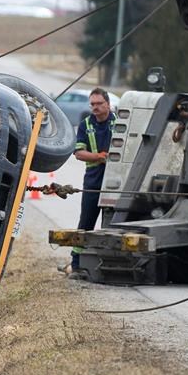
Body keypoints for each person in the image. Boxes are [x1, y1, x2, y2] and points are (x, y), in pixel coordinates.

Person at [66, 87, 115, 277]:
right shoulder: (85, 125)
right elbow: (78, 153)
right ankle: (76, 264)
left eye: (99, 104)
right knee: (86, 222)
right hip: (93, 183)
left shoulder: (119, 123)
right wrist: (99, 156)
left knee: (110, 226)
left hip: (114, 184)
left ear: (108, 104)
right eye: (92, 104)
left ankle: (107, 264)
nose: (95, 107)